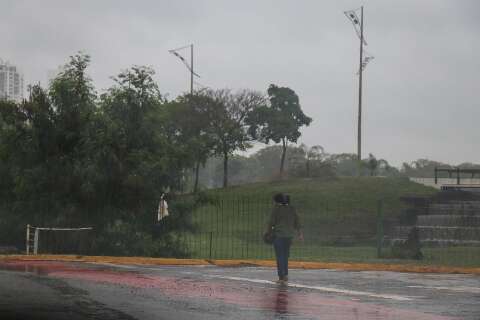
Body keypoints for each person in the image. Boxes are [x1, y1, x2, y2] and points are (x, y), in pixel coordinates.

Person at [266, 193, 303, 283]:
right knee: (285, 256)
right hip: (289, 236)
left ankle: (281, 277)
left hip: (279, 236)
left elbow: (271, 223)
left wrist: (268, 233)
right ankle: (285, 275)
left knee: (280, 256)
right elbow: (297, 222)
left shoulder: (276, 209)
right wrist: (300, 234)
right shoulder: (292, 209)